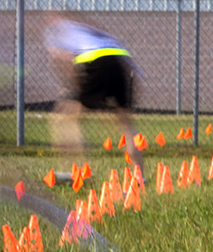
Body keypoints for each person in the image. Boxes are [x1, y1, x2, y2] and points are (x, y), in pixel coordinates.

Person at [45, 17, 144, 178]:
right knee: (126, 124)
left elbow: (67, 60)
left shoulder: (58, 30)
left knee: (64, 118)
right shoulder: (87, 28)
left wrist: (75, 89)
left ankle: (77, 172)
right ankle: (140, 177)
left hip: (98, 62)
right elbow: (125, 57)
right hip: (119, 61)